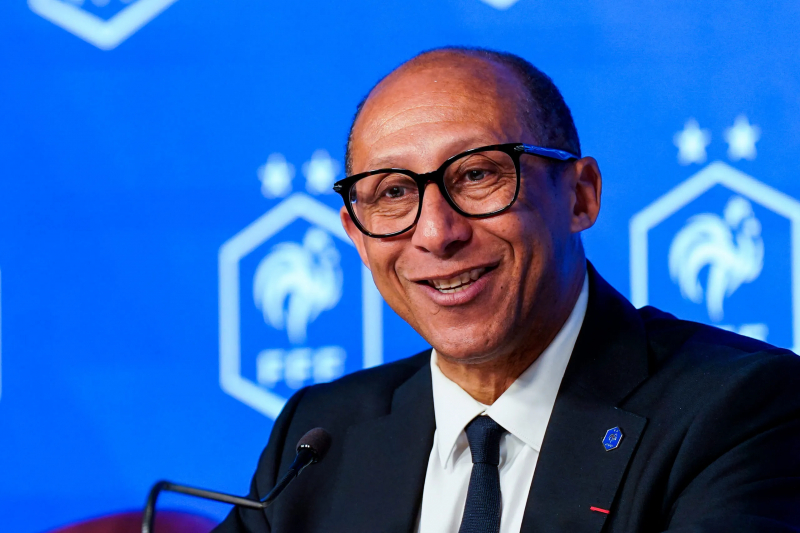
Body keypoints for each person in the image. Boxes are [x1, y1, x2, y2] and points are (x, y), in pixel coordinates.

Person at [214, 47, 800, 533]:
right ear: (357, 236)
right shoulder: (320, 437)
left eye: (477, 175)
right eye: (392, 193)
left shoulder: (741, 409)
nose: (436, 233)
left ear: (580, 196)